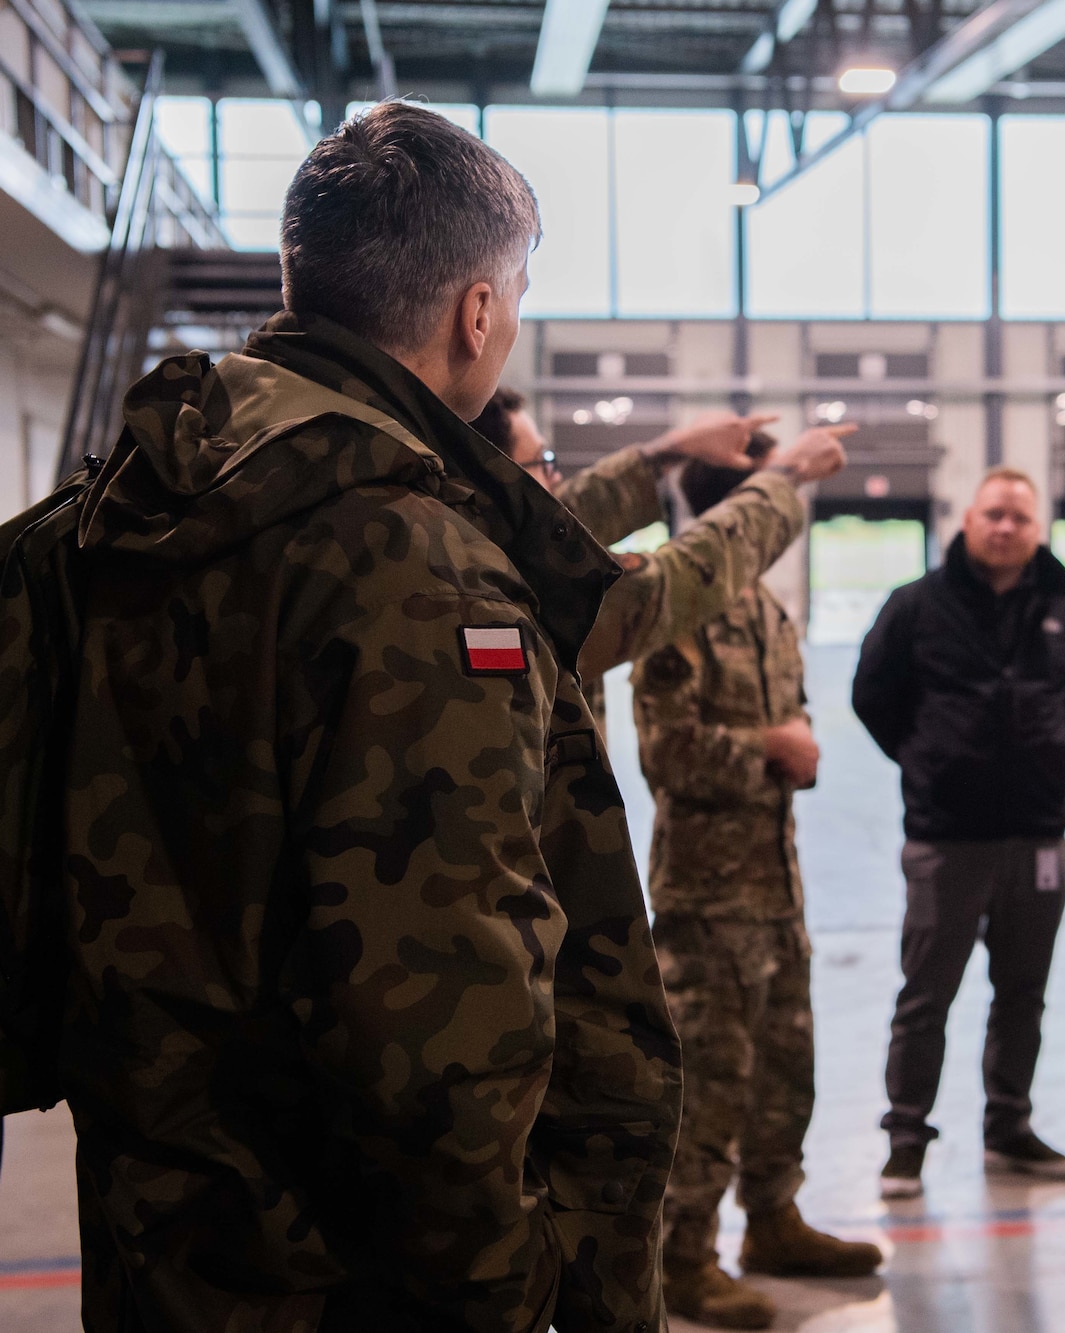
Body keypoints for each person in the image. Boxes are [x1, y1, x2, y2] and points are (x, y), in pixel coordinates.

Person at [55, 102, 678, 1329]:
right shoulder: (409, 558)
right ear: (477, 313)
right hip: (352, 1273)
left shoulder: (138, 499)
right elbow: (440, 1015)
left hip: (166, 1234)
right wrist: (503, 1286)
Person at [628, 433, 882, 1330]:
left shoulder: (770, 615)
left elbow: (793, 717)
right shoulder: (678, 608)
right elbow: (665, 752)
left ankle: (772, 1219)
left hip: (777, 889)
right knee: (709, 1081)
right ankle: (682, 1255)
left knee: (785, 1069)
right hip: (706, 897)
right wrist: (766, 751)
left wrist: (796, 744)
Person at [851, 467, 1065, 1201]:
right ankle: (905, 1139)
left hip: (1037, 836)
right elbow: (873, 698)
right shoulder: (916, 605)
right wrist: (932, 760)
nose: (1006, 527)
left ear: (1038, 526)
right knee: (927, 994)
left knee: (1023, 993)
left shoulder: (1062, 605)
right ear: (967, 519)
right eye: (994, 514)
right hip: (947, 839)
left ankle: (1008, 1127)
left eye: (1020, 516)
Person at [471, 389, 851, 686]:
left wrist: (672, 449)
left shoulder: (482, 546)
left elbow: (568, 514)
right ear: (498, 483)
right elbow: (680, 577)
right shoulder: (522, 589)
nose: (557, 478)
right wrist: (788, 473)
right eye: (542, 461)